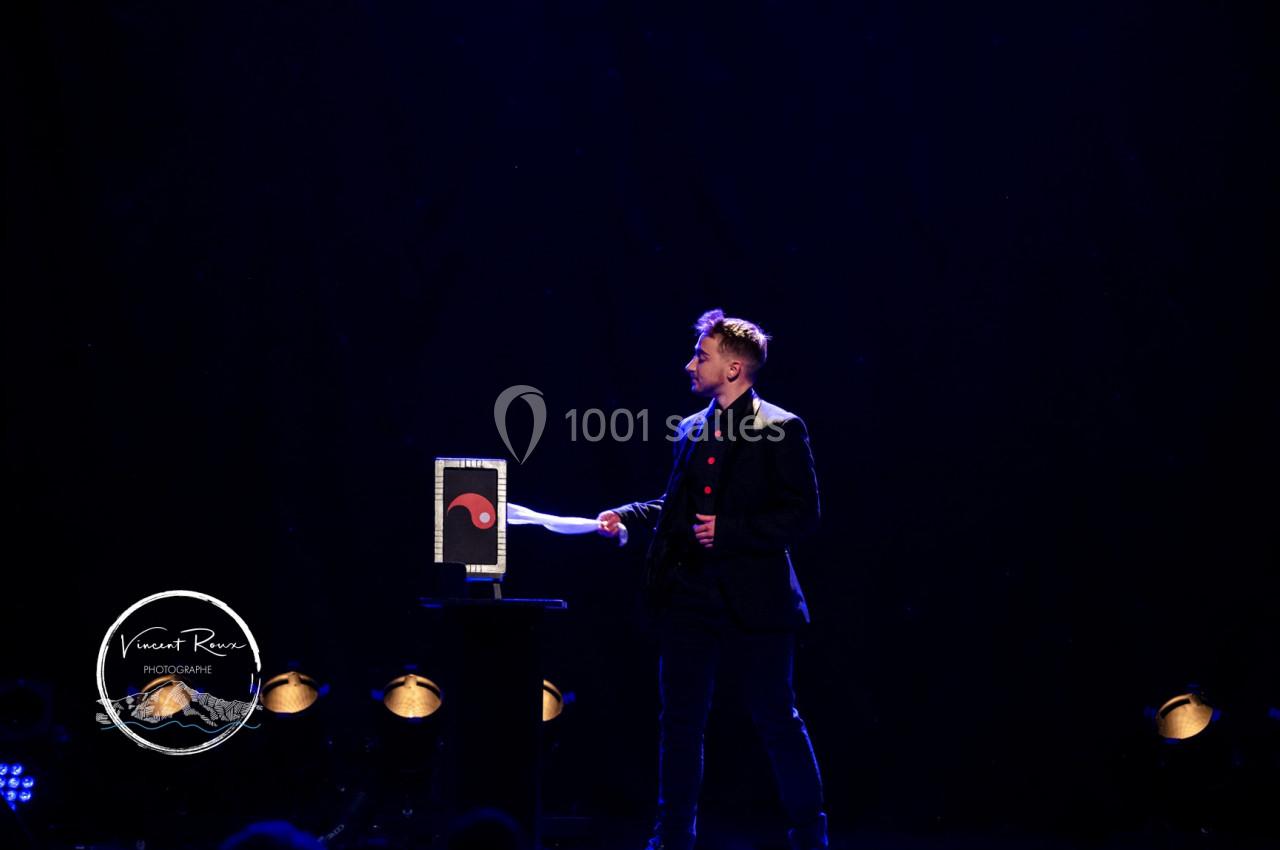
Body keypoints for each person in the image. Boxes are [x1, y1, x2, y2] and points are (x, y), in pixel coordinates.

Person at [597, 309, 828, 850]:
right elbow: (672, 506)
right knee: (679, 722)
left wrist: (732, 530)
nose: (690, 364)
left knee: (776, 718)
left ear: (734, 368)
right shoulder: (692, 429)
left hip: (757, 601)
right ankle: (672, 837)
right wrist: (625, 517)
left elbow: (803, 514)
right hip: (692, 599)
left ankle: (810, 837)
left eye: (702, 355)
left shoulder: (781, 427)